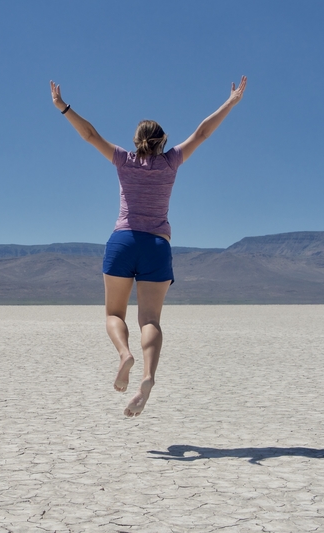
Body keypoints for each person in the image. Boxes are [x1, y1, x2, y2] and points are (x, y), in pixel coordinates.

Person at [50, 76, 247, 417]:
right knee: (151, 318)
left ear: (136, 140)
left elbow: (90, 135)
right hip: (157, 244)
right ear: (162, 141)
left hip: (123, 240)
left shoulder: (123, 160)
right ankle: (148, 376)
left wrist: (63, 107)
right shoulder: (171, 162)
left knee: (114, 313)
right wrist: (230, 103)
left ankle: (124, 353)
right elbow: (202, 133)